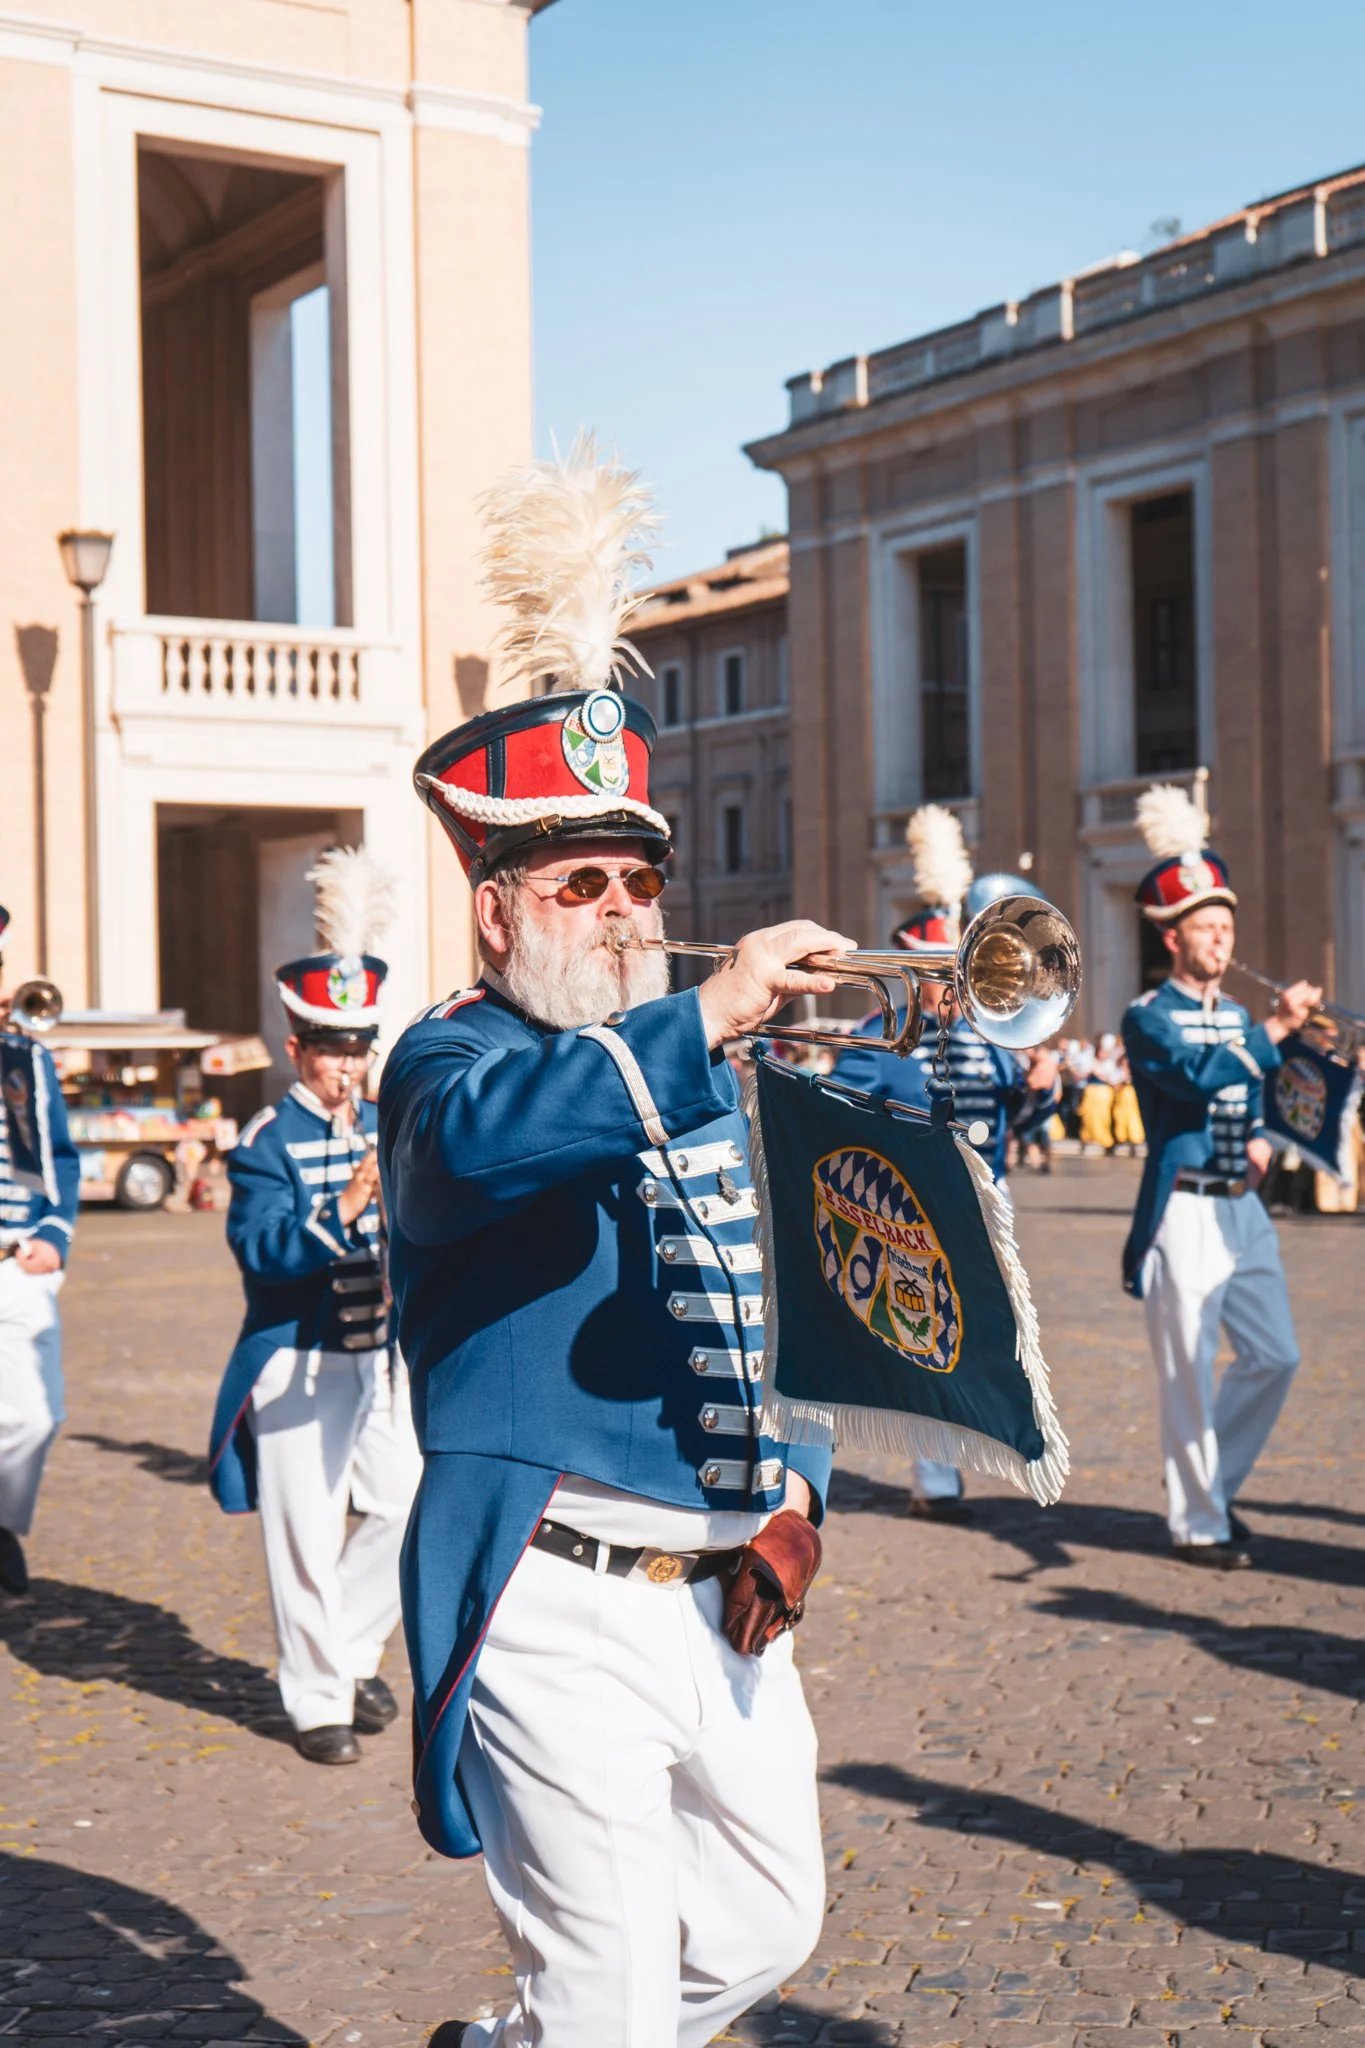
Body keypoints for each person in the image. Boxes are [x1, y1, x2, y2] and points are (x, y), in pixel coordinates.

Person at [384, 442, 838, 2048]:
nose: (625, 909)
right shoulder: (448, 1065)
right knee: (611, 2003)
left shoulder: (692, 1067)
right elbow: (485, 1155)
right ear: (496, 908)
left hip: (722, 1587)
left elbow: (767, 1304)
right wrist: (703, 1012)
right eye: (579, 881)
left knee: (772, 1925)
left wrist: (798, 1485)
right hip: (556, 1598)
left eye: (639, 877)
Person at [207, 849, 421, 1762]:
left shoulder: (385, 1124)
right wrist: (342, 1210)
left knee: (406, 1504)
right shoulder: (265, 1141)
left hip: (378, 1358)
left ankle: (346, 1651)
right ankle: (317, 1701)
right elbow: (259, 1252)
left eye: (360, 1044)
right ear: (298, 1048)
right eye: (333, 1046)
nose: (349, 1063)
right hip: (295, 1359)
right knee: (301, 1534)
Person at [1121, 785, 1320, 1570]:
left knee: (1276, 1356)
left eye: (1224, 927)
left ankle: (1213, 1488)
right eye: (1204, 927)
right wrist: (1274, 1030)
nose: (1218, 939)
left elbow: (1252, 1091)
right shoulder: (1146, 1017)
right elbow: (1199, 1078)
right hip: (1184, 1212)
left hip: (1243, 1204)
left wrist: (1271, 1136)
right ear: (1172, 938)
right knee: (1189, 1374)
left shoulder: (1238, 1016)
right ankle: (1197, 1521)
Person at [827, 817, 1039, 1519]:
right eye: (942, 975)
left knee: (982, 1340)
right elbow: (843, 1114)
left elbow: (1014, 1120)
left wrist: (1040, 1092)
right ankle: (934, 1479)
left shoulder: (987, 1037)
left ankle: (963, 1457)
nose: (953, 988)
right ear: (915, 973)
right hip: (914, 1211)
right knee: (925, 1337)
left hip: (987, 1206)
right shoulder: (878, 1038)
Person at [0, 910, 80, 1597]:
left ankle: (2, 1523)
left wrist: (55, 1234)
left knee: (36, 1416)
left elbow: (60, 1154)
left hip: (15, 1260)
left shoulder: (22, 1057)